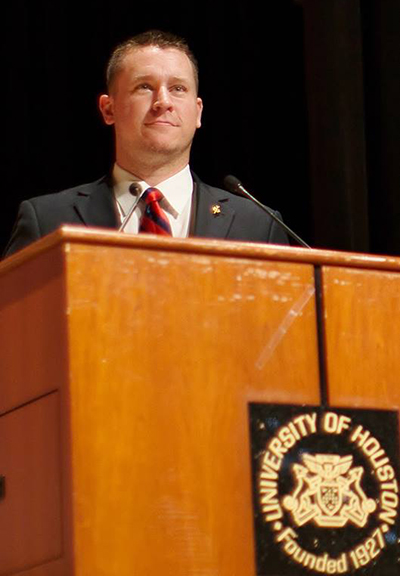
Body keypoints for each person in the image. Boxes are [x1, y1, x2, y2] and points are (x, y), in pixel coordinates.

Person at [3, 30, 288, 257]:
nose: (163, 102)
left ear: (198, 111)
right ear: (108, 109)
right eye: (144, 87)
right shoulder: (48, 221)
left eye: (178, 88)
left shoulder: (258, 226)